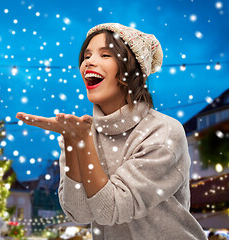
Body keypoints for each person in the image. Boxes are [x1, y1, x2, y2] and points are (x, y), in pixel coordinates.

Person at [16, 23, 207, 239]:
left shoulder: (163, 133)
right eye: (86, 56)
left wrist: (82, 142)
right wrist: (72, 141)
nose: (89, 62)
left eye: (105, 55)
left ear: (132, 69)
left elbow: (110, 210)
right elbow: (78, 212)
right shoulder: (80, 132)